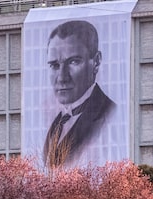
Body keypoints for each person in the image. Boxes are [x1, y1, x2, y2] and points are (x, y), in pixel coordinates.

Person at [43, 19, 116, 168]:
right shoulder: (57, 122)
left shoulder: (109, 114)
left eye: (73, 62)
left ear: (96, 62)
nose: (62, 78)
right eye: (55, 65)